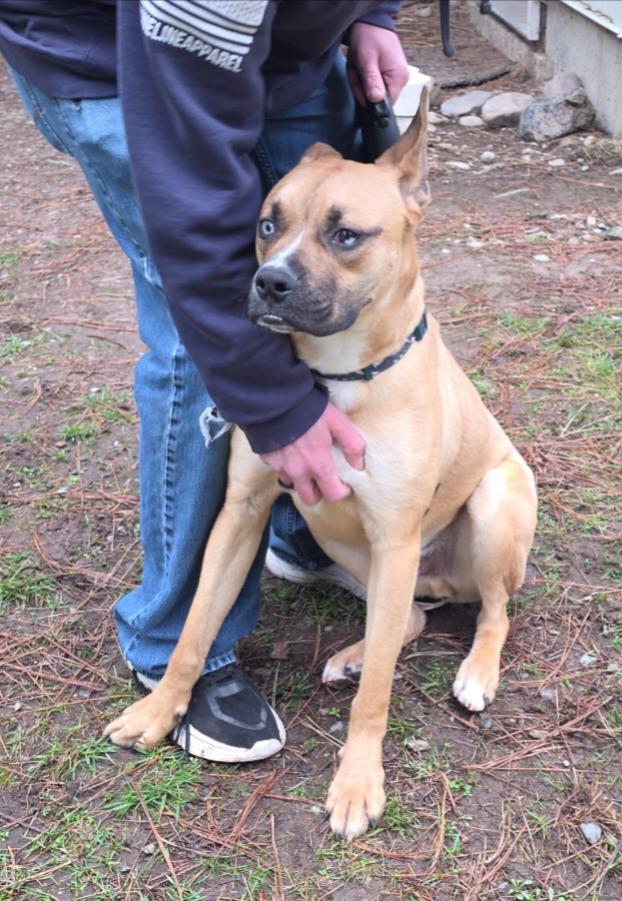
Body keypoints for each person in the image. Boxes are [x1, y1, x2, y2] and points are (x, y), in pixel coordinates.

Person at [0, 0, 409, 763]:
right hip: (122, 64)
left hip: (274, 48)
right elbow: (193, 200)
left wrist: (370, 13)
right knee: (210, 339)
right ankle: (178, 650)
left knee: (312, 281)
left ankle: (296, 520)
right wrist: (272, 404)